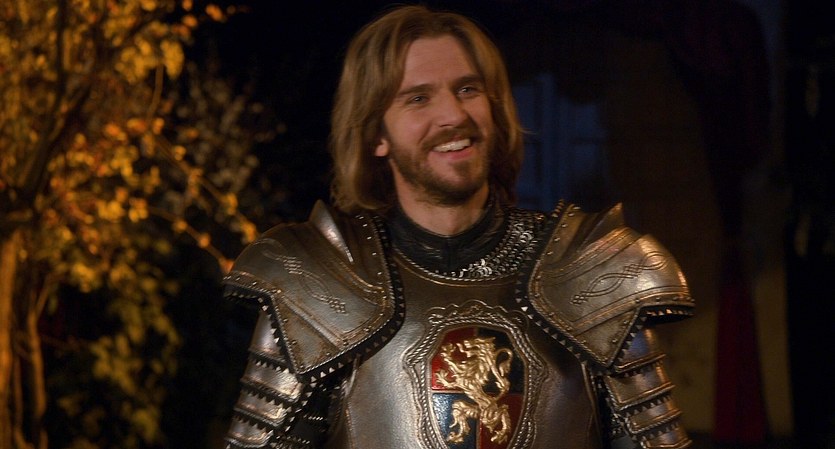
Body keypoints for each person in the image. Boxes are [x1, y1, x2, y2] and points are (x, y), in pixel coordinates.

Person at [222, 4, 695, 449]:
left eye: (468, 90)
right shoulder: (319, 277)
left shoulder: (592, 269)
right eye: (418, 98)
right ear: (376, 135)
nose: (453, 116)